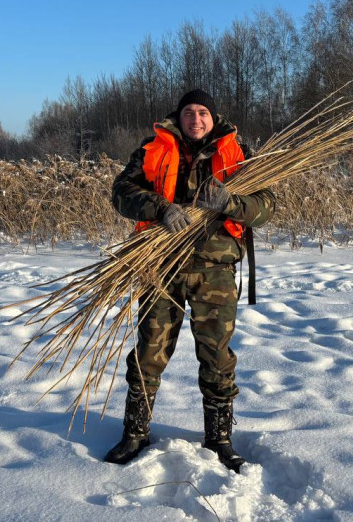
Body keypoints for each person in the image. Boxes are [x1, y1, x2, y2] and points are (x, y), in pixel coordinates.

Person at [105, 89, 275, 472]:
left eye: (202, 113)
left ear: (213, 118)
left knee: (217, 357)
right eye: (188, 112)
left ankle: (219, 439)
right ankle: (135, 432)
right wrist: (161, 208)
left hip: (215, 271)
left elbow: (266, 206)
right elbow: (121, 192)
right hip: (160, 266)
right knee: (149, 352)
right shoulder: (152, 149)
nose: (195, 119)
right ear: (178, 117)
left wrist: (229, 203)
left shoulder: (240, 155)